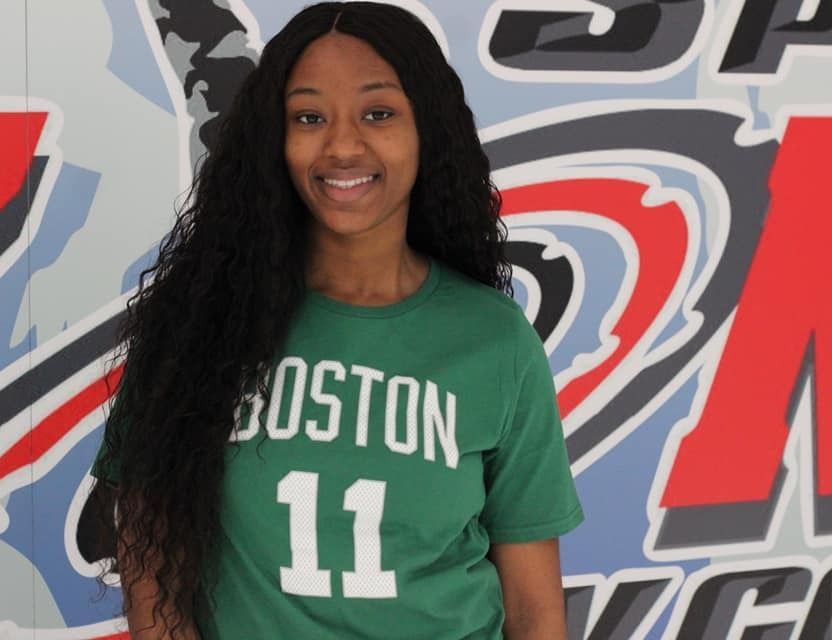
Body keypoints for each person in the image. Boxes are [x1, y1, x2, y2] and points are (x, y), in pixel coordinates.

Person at [89, 2, 583, 638]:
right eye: (309, 117)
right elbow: (152, 567)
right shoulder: (198, 321)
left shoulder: (493, 338)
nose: (343, 146)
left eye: (378, 113)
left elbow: (534, 604)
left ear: (425, 129)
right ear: (276, 137)